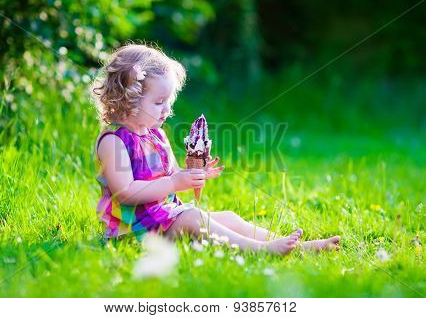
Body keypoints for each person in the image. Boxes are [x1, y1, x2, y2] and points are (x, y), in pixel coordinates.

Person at [91, 43, 340, 255]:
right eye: (158, 102)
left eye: (168, 102)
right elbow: (125, 193)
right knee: (193, 218)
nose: (166, 110)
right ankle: (262, 249)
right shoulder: (114, 141)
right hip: (133, 232)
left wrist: (192, 173)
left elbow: (170, 175)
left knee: (229, 217)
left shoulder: (157, 135)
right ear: (128, 98)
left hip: (163, 220)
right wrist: (176, 182)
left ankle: (296, 246)